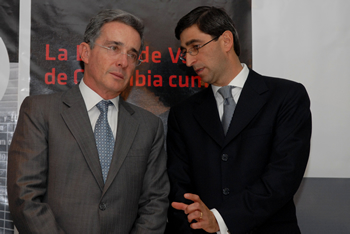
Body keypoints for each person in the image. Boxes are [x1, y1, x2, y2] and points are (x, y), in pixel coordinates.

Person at [7, 9, 169, 234]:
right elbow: (24, 197)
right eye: (114, 48)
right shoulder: (40, 111)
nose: (123, 61)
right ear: (85, 52)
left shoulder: (149, 126)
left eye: (132, 54)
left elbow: (155, 204)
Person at [166, 6, 311, 234]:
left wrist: (220, 219)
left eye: (195, 47)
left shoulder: (286, 96)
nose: (189, 60)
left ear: (225, 41)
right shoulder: (182, 114)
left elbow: (284, 175)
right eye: (185, 52)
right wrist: (201, 221)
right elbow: (179, 187)